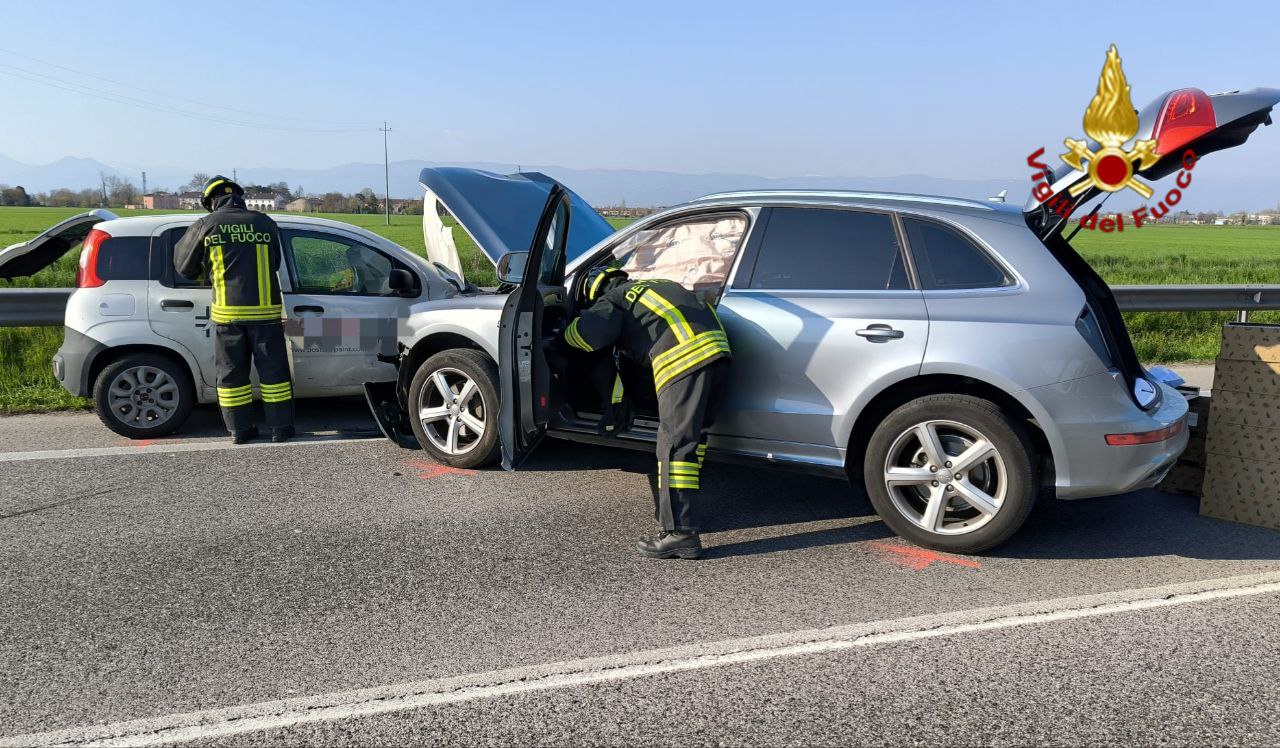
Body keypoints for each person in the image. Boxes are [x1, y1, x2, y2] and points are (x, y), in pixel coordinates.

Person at [562, 267, 731, 559]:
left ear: (596, 290)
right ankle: (686, 511)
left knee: (675, 447)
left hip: (682, 358)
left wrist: (565, 334)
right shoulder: (659, 284)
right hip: (719, 354)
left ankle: (681, 534)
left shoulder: (614, 297)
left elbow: (591, 335)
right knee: (695, 438)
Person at [174, 176, 295, 444]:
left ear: (210, 201)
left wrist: (208, 269)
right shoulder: (264, 223)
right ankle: (281, 430)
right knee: (274, 376)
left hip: (228, 317)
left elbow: (183, 267)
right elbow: (275, 262)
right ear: (240, 198)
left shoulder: (206, 225)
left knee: (231, 376)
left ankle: (240, 431)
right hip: (266, 316)